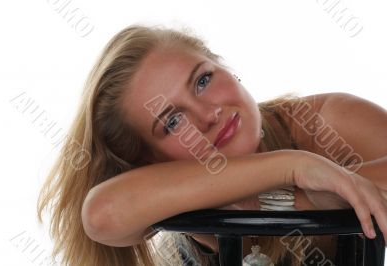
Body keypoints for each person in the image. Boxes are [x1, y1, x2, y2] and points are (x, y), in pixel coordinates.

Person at [36, 24, 387, 266]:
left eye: (203, 80)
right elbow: (102, 214)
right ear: (148, 166)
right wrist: (293, 166)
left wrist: (298, 197)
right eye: (172, 121)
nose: (209, 114)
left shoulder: (324, 122)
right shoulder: (159, 202)